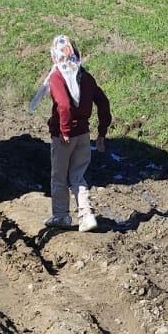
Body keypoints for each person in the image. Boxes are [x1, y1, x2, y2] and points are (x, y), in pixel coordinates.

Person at [30, 34, 112, 233]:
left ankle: (61, 215)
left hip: (63, 136)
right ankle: (87, 214)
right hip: (83, 134)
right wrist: (102, 132)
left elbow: (64, 105)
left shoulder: (58, 76)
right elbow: (103, 102)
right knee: (78, 176)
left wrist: (65, 130)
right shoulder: (85, 76)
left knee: (59, 176)